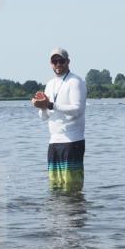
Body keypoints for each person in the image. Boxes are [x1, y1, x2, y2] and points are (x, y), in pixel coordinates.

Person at [31, 48, 87, 190]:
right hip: (54, 142)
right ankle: (57, 212)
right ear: (51, 63)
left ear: (68, 62)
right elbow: (44, 117)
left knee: (71, 186)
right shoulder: (50, 84)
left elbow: (77, 109)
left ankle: (75, 211)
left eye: (61, 61)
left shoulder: (75, 81)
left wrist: (50, 104)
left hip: (72, 141)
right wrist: (41, 107)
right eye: (54, 61)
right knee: (54, 186)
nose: (58, 64)